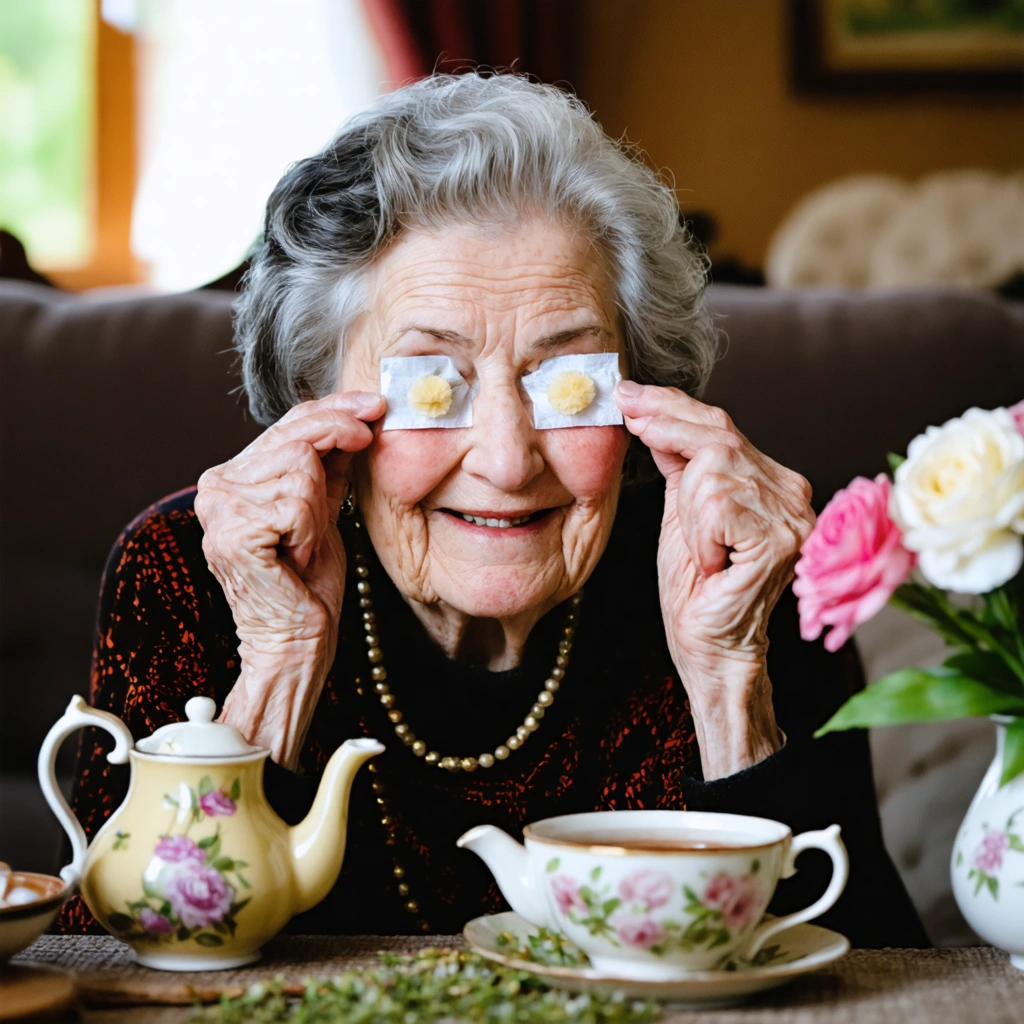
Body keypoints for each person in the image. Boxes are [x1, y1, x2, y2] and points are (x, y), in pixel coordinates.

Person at [59, 73, 927, 947]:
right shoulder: (195, 570)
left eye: (569, 382)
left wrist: (732, 678)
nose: (509, 461)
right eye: (432, 384)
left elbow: (876, 972)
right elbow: (106, 964)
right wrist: (278, 664)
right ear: (318, 403)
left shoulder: (738, 573)